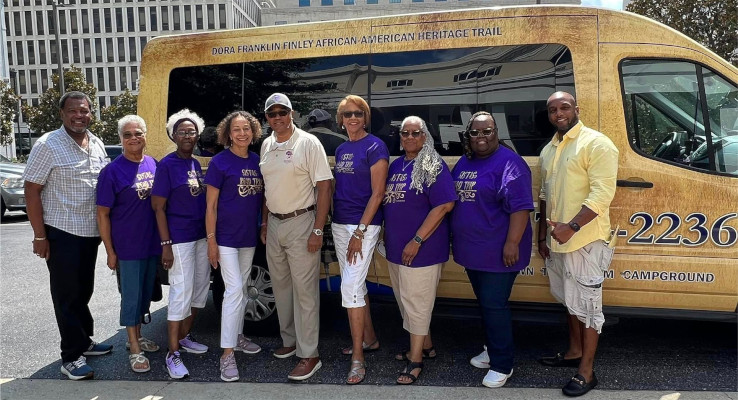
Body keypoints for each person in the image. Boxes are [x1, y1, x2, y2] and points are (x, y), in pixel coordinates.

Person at [22, 91, 112, 380]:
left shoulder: (95, 142)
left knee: (83, 289)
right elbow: (32, 190)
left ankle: (84, 340)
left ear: (91, 113)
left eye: (84, 111)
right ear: (62, 114)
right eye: (73, 111)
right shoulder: (48, 144)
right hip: (62, 231)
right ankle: (71, 357)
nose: (79, 116)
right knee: (67, 294)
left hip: (90, 231)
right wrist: (39, 236)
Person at [537, 91, 618, 397]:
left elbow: (601, 194)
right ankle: (573, 352)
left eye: (565, 107)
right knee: (570, 301)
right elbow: (545, 195)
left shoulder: (597, 143)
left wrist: (571, 228)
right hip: (557, 242)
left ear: (576, 109)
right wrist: (541, 236)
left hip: (585, 240)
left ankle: (586, 372)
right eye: (553, 109)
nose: (559, 113)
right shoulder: (550, 150)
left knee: (588, 308)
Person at [450, 111, 534, 388]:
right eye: (475, 132)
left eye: (487, 131)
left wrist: (512, 243)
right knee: (486, 305)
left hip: (498, 252)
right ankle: (491, 350)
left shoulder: (511, 163)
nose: (481, 137)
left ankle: (502, 363)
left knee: (495, 306)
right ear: (468, 136)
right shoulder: (465, 161)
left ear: (497, 132)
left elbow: (521, 208)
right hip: (473, 251)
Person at [259, 93, 333, 381]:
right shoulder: (266, 144)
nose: (277, 117)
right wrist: (265, 224)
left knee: (305, 293)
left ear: (292, 113)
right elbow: (267, 188)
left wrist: (317, 229)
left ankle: (309, 354)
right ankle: (290, 341)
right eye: (271, 113)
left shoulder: (308, 142)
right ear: (267, 118)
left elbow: (325, 187)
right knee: (281, 288)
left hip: (302, 221)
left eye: (282, 112)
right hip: (275, 224)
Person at [382, 116, 456, 385]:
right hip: (396, 249)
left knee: (417, 305)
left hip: (421, 249)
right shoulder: (397, 165)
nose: (410, 137)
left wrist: (417, 239)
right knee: (406, 302)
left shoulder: (432, 165)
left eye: (416, 133)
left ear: (426, 136)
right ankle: (426, 346)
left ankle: (416, 360)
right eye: (405, 133)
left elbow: (444, 205)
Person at [96, 115, 161, 374]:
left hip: (151, 243)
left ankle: (139, 335)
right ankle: (134, 347)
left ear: (145, 135)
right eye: (128, 135)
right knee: (131, 298)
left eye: (138, 133)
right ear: (121, 139)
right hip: (128, 247)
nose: (134, 138)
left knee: (145, 295)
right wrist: (110, 251)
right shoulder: (111, 171)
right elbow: (102, 214)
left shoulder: (152, 163)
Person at [331, 95, 389, 385]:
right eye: (347, 114)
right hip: (340, 224)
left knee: (350, 288)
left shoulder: (375, 146)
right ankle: (369, 339)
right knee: (356, 283)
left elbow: (377, 194)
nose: (353, 118)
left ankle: (357, 358)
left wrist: (359, 232)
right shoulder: (342, 149)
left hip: (360, 226)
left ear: (365, 118)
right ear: (340, 119)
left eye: (358, 113)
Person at [205, 111, 264, 382]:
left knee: (242, 287)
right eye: (236, 129)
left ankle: (238, 336)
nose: (242, 134)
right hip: (225, 238)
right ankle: (226, 355)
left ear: (253, 132)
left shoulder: (256, 160)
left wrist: (263, 225)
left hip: (248, 237)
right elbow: (211, 206)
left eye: (246, 129)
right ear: (228, 134)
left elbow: (263, 198)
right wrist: (211, 240)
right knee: (233, 291)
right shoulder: (220, 162)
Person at [152, 109, 210, 379]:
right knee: (180, 292)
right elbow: (158, 208)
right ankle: (172, 354)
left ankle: (185, 337)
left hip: (199, 237)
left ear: (197, 135)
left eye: (191, 131)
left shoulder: (195, 164)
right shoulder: (167, 165)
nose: (187, 135)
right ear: (173, 135)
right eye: (182, 132)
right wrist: (166, 244)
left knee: (199, 290)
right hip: (179, 239)